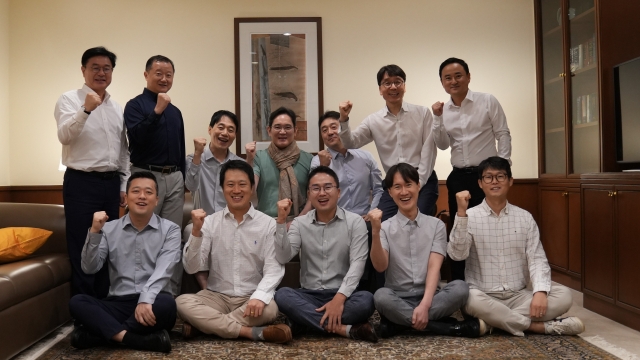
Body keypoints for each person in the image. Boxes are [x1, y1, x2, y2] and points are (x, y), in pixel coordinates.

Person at [448, 156, 584, 337]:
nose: (494, 181)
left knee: (564, 295)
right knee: (469, 298)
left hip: (519, 296)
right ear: (480, 183)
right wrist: (461, 214)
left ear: (510, 181)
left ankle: (491, 324)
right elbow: (457, 255)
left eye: (500, 176)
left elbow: (537, 258)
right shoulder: (469, 216)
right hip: (483, 295)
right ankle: (538, 327)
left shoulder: (524, 218)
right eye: (488, 177)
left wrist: (540, 292)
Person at [176, 160, 291, 344]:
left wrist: (260, 297)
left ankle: (204, 326)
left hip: (250, 296)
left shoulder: (268, 224)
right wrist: (196, 232)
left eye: (242, 184)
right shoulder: (210, 223)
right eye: (230, 184)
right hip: (215, 296)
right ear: (222, 188)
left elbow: (274, 268)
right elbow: (191, 268)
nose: (236, 190)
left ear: (252, 187)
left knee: (270, 309)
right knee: (181, 303)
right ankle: (249, 332)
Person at [68, 172, 181, 353]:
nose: (142, 196)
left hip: (152, 302)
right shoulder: (109, 229)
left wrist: (145, 300)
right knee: (77, 302)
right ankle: (135, 339)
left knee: (168, 305)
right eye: (136, 191)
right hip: (118, 303)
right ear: (126, 198)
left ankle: (100, 334)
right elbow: (89, 268)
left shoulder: (171, 230)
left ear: (157, 200)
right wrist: (95, 231)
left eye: (148, 192)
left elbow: (164, 270)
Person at [369, 163, 485, 338]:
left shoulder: (436, 225)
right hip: (398, 297)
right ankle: (442, 327)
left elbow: (433, 268)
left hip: (431, 297)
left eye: (408, 185)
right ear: (390, 192)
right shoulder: (384, 227)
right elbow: (380, 266)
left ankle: (399, 325)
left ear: (418, 186)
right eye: (397, 187)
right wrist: (375, 232)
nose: (404, 192)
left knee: (460, 288)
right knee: (380, 296)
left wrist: (424, 305)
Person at [55, 46, 130, 298]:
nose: (101, 73)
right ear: (83, 70)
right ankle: (84, 312)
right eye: (95, 67)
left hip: (110, 184)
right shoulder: (69, 99)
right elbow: (64, 136)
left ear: (112, 72)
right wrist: (85, 110)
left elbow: (123, 152)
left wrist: (122, 186)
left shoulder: (116, 107)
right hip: (81, 183)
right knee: (82, 244)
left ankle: (104, 306)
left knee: (108, 244)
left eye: (106, 68)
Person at [274, 166, 378, 343]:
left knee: (366, 300)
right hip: (309, 294)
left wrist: (339, 299)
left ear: (338, 192)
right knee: (282, 295)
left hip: (344, 294)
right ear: (308, 194)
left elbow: (357, 266)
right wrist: (281, 222)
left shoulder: (355, 222)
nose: (322, 193)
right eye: (316, 188)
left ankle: (304, 322)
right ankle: (346, 329)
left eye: (328, 187)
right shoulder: (299, 223)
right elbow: (283, 257)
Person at [431, 57, 512, 281]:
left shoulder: (487, 101)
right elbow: (442, 144)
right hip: (458, 177)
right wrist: (437, 118)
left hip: (486, 176)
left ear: (468, 77)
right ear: (442, 82)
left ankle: (492, 280)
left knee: (490, 228)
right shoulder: (443, 110)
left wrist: (502, 170)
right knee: (460, 230)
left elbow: (502, 133)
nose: (453, 81)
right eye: (448, 78)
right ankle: (459, 284)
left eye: (458, 75)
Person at [338, 64, 438, 222]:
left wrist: (418, 182)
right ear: (380, 89)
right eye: (387, 83)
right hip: (394, 183)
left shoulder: (422, 113)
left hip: (422, 179)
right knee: (382, 224)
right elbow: (351, 143)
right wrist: (343, 120)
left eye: (398, 82)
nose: (393, 87)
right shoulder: (374, 120)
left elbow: (429, 150)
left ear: (404, 86)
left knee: (419, 223)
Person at [308, 110, 384, 292]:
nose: (329, 132)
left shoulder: (365, 157)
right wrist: (324, 167)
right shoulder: (317, 162)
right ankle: (341, 290)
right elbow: (318, 194)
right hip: (336, 220)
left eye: (334, 127)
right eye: (324, 130)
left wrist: (372, 212)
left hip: (364, 217)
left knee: (373, 230)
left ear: (342, 128)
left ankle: (371, 292)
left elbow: (379, 189)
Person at [124, 55, 186, 229]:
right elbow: (137, 138)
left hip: (175, 178)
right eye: (159, 73)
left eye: (169, 75)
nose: (164, 79)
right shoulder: (134, 105)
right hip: (145, 174)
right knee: (142, 229)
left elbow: (180, 148)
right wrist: (157, 111)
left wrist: (182, 178)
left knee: (172, 231)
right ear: (146, 75)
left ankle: (170, 258)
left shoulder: (175, 111)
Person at [184, 110, 243, 289]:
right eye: (221, 127)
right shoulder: (194, 159)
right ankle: (207, 289)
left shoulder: (237, 163)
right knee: (188, 231)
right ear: (210, 129)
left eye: (231, 130)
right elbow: (191, 186)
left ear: (234, 136)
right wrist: (197, 155)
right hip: (203, 222)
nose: (225, 133)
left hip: (230, 221)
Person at [246, 107, 313, 223]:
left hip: (300, 222)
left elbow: (313, 195)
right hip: (265, 223)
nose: (282, 132)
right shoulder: (258, 157)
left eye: (287, 127)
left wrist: (297, 222)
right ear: (269, 130)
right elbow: (249, 191)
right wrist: (249, 161)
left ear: (295, 130)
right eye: (277, 127)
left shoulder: (309, 159)